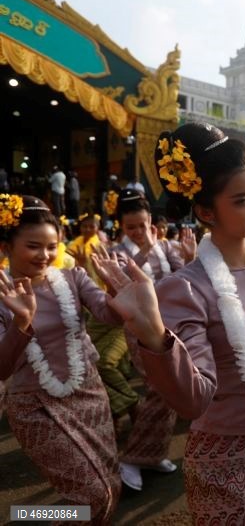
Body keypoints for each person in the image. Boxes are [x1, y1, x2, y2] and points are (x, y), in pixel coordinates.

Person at [100, 122, 245, 523]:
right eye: (242, 200)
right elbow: (193, 400)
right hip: (227, 459)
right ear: (206, 211)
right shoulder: (184, 288)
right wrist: (155, 335)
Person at [0, 194, 123, 522]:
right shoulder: (1, 295)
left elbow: (110, 315)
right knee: (91, 495)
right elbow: (1, 368)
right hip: (35, 407)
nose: (45, 255)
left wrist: (116, 288)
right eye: (33, 246)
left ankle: (26, 516)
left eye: (52, 246)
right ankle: (27, 515)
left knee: (110, 488)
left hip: (88, 392)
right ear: (6, 247)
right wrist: (21, 323)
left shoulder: (73, 278)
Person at [110, 188, 196, 491]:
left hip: (170, 326)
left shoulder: (165, 247)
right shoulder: (116, 253)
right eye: (130, 227)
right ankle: (132, 458)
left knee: (170, 390)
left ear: (152, 223)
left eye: (142, 225)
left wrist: (189, 258)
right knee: (162, 388)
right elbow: (120, 286)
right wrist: (144, 251)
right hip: (139, 329)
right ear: (121, 227)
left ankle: (152, 454)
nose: (137, 232)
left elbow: (182, 279)